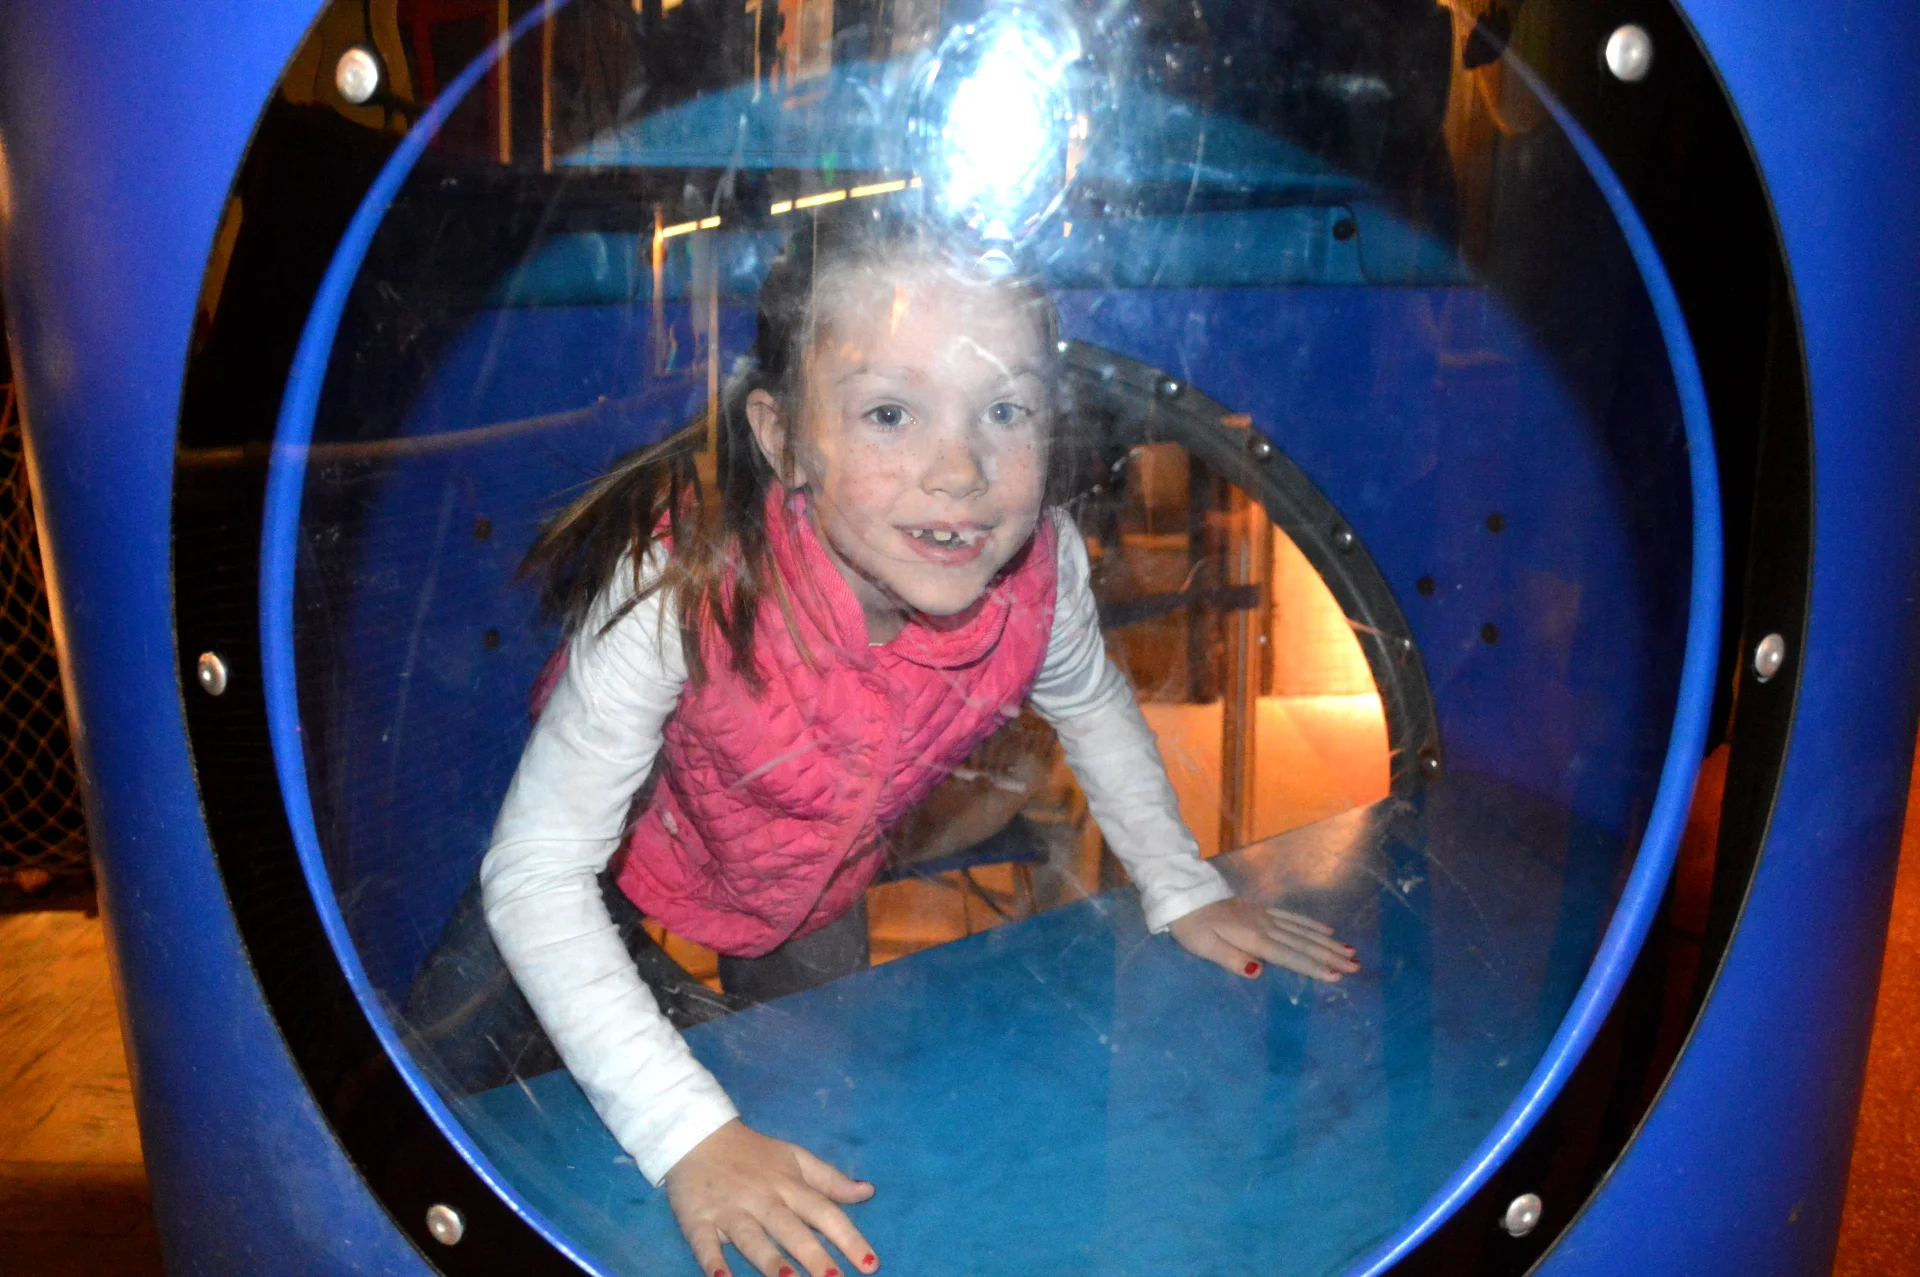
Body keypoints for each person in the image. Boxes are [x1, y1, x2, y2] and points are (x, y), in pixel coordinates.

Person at [459, 207, 1360, 1277]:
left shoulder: (1038, 575)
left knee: (820, 1130)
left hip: (803, 875)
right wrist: (686, 1133)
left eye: (1006, 410)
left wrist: (1180, 883)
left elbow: (1095, 705)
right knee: (437, 1100)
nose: (961, 470)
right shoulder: (684, 579)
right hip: (618, 846)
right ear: (784, 439)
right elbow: (538, 873)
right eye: (890, 412)